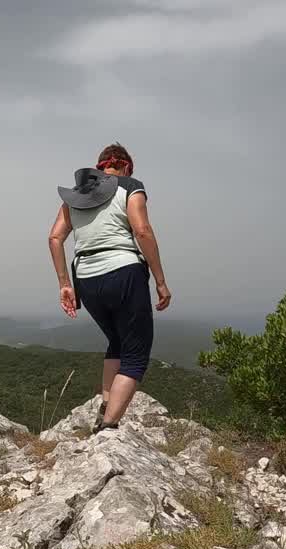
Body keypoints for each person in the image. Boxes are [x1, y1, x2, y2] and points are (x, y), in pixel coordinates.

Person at [47, 143, 171, 432]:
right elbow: (142, 230)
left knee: (116, 340)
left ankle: (106, 403)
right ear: (125, 167)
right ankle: (108, 426)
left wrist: (65, 284)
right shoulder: (130, 186)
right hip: (124, 271)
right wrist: (161, 282)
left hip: (86, 280)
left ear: (100, 166)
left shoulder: (75, 197)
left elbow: (55, 238)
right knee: (137, 354)